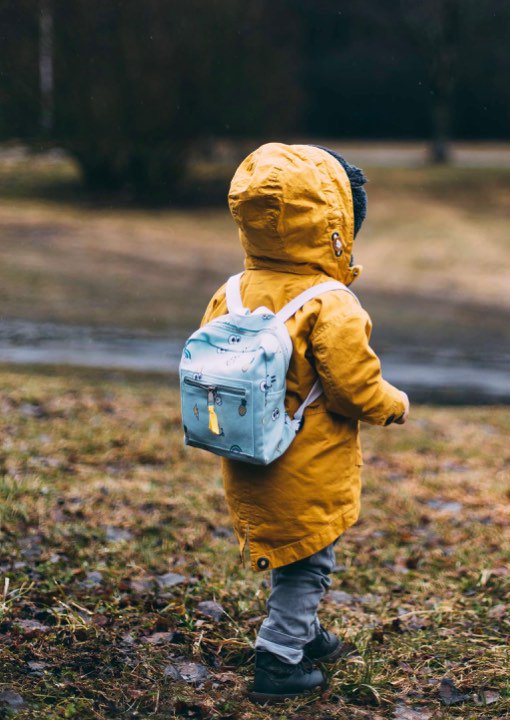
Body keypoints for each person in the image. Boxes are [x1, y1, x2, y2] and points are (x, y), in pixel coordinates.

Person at [200, 142, 409, 703]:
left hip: (248, 454)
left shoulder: (233, 292)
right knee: (310, 561)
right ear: (335, 227)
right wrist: (392, 403)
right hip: (306, 461)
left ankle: (305, 633)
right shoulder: (330, 302)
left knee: (295, 550)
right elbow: (353, 385)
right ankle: (280, 657)